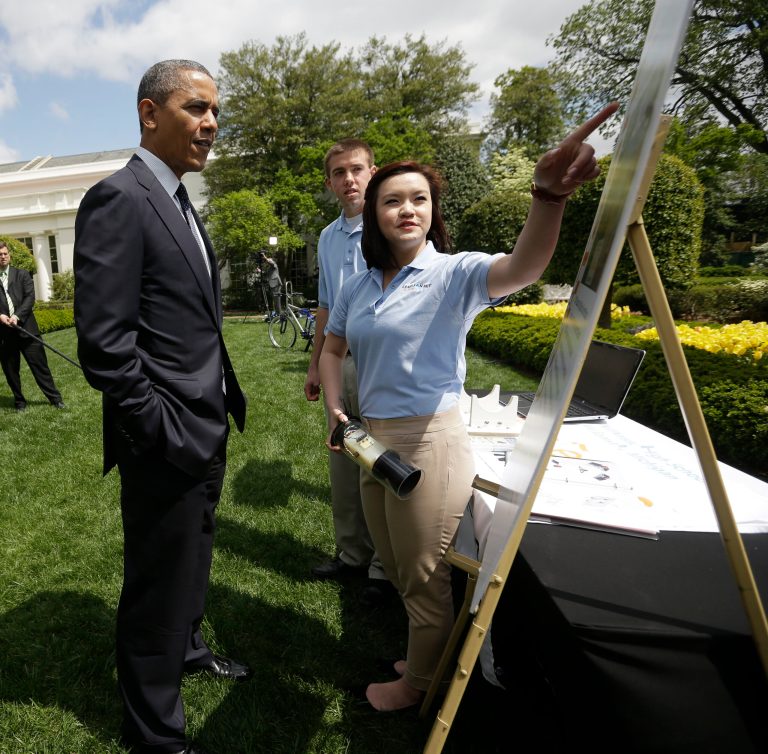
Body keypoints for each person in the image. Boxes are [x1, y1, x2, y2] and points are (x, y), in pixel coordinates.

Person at [319, 103, 618, 712]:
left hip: (430, 443)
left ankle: (418, 686)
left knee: (427, 575)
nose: (407, 209)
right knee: (399, 564)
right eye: (393, 201)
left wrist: (548, 196)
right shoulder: (360, 283)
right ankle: (421, 654)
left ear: (432, 212)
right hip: (370, 443)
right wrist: (334, 409)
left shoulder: (456, 274)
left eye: (418, 199)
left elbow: (525, 267)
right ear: (374, 216)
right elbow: (331, 347)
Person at [74, 59, 248, 754]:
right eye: (195, 108)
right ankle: (153, 731)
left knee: (193, 560)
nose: (210, 124)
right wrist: (159, 425)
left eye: (215, 113)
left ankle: (188, 648)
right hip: (166, 436)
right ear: (150, 114)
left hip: (204, 425)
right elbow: (105, 346)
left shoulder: (178, 199)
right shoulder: (120, 198)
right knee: (157, 581)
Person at [304, 138, 391, 606]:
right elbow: (324, 305)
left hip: (382, 366)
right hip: (340, 365)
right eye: (339, 172)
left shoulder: (393, 225)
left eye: (357, 169)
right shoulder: (327, 237)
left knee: (379, 465)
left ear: (373, 172)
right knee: (344, 461)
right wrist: (316, 363)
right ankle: (352, 553)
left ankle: (383, 566)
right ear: (330, 182)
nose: (349, 179)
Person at [0, 241, 65, 412]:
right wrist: (0, 316)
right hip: (5, 334)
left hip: (27, 331)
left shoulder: (22, 275)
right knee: (11, 371)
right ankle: (19, 401)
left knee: (40, 367)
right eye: (0, 255)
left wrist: (16, 316)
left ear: (10, 256)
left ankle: (55, 399)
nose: (3, 257)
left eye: (5, 254)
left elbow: (30, 298)